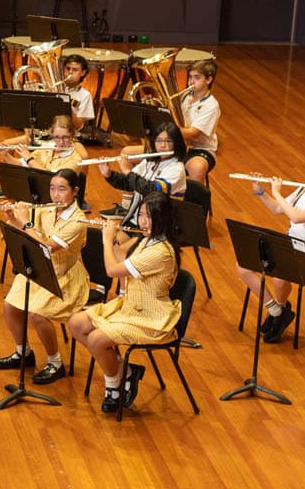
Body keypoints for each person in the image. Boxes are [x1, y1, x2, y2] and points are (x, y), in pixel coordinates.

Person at [67, 186, 181, 412]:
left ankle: (114, 386)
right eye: (141, 215)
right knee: (76, 324)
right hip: (131, 306)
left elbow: (112, 270)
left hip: (152, 316)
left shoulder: (161, 251)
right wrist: (117, 236)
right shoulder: (146, 240)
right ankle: (126, 372)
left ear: (164, 220)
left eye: (149, 216)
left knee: (97, 340)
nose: (143, 221)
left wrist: (107, 240)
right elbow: (122, 260)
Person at [0, 166, 90, 380]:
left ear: (75, 191)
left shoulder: (77, 221)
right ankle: (23, 353)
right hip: (39, 268)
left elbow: (46, 247)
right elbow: (26, 234)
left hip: (65, 275)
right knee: (10, 306)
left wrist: (26, 222)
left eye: (62, 189)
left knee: (37, 315)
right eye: (53, 188)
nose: (55, 195)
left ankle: (55, 363)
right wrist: (14, 218)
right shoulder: (45, 209)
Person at [236, 153, 305, 342]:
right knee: (242, 265)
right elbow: (278, 209)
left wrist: (277, 192)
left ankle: (281, 308)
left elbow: (297, 217)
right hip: (289, 245)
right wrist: (261, 191)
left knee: (279, 274)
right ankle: (275, 309)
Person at [102, 123, 187, 203]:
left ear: (176, 143)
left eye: (168, 141)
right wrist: (109, 174)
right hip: (143, 213)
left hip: (162, 215)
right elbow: (129, 184)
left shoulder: (176, 169)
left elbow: (151, 190)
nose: (162, 145)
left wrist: (127, 171)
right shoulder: (150, 161)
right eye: (159, 140)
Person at [177, 58, 220, 186]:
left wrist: (169, 127)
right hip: (178, 145)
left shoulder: (211, 105)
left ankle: (194, 205)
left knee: (197, 167)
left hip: (201, 150)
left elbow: (192, 134)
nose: (191, 81)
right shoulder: (185, 96)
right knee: (128, 153)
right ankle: (129, 203)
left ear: (208, 79)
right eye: (190, 77)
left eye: (197, 77)